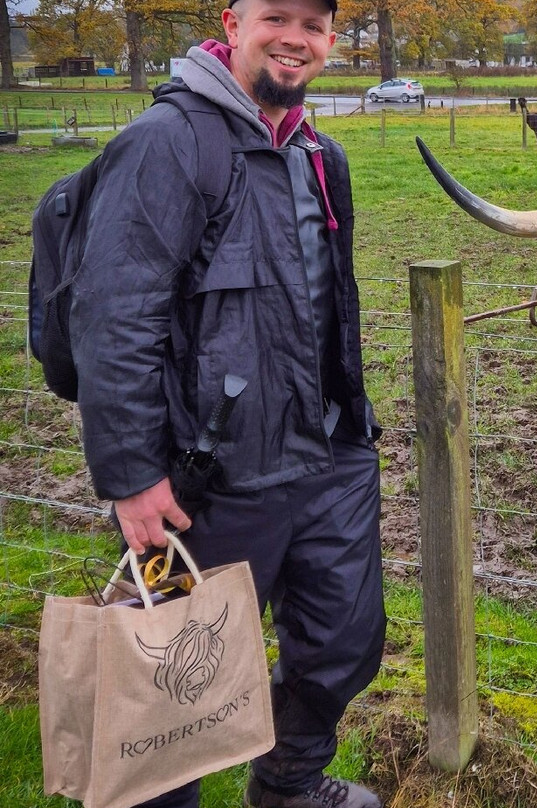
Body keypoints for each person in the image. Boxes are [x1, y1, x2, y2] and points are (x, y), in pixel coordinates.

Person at [67, 0, 385, 805]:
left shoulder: (321, 154)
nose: (296, 39)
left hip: (328, 460)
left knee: (341, 645)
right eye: (277, 15)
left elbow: (328, 310)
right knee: (172, 675)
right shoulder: (168, 143)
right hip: (201, 482)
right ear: (233, 23)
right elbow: (114, 316)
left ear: (330, 40)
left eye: (314, 25)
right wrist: (133, 476)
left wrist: (352, 434)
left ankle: (289, 784)